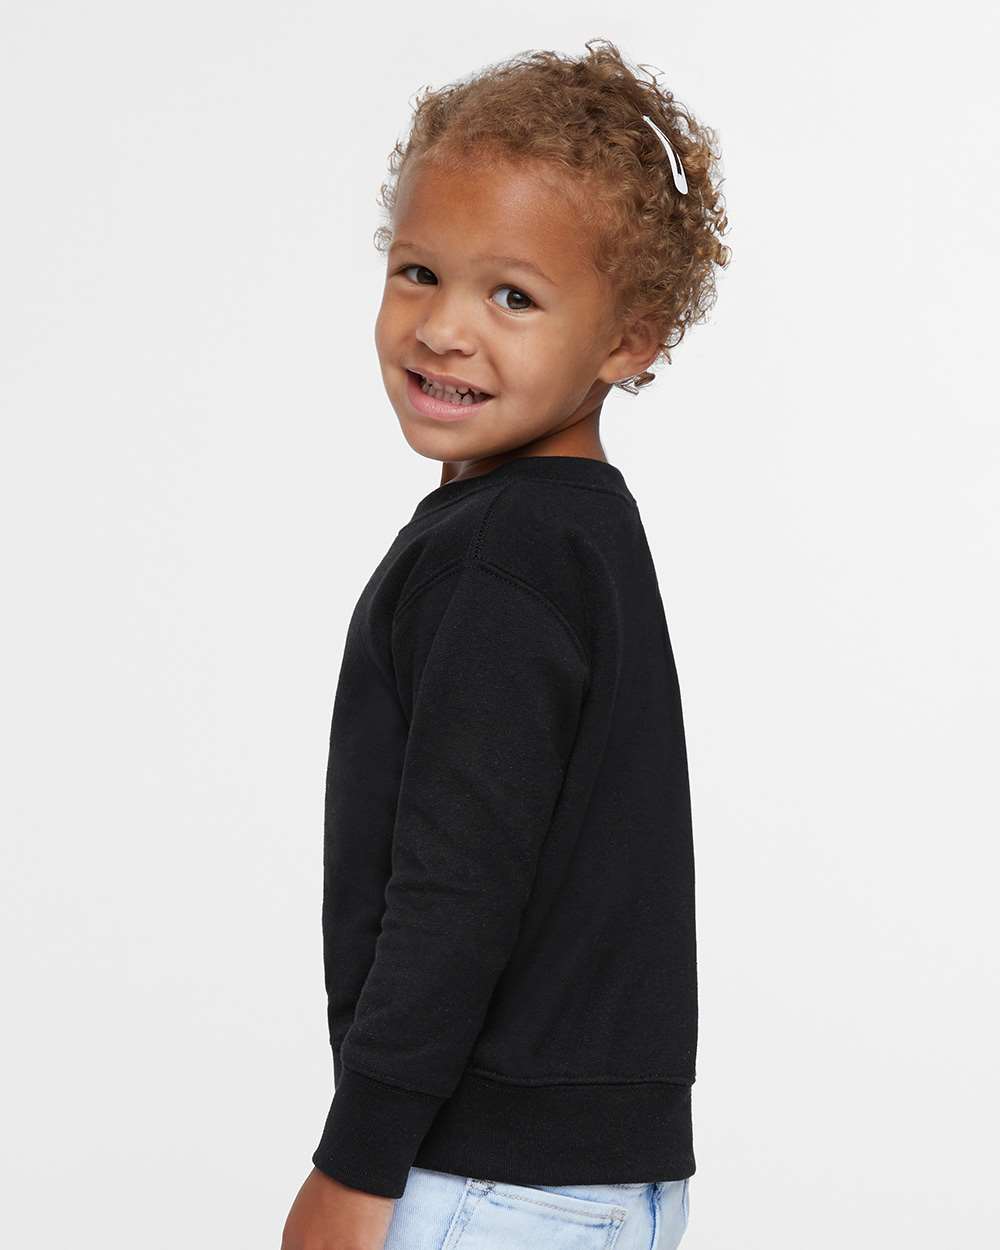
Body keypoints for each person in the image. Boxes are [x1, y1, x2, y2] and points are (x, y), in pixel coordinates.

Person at [282, 37, 731, 1250]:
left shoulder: (501, 555)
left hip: (484, 1179)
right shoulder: (577, 532)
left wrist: (356, 1158)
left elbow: (456, 887)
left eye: (513, 296)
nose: (443, 328)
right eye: (418, 271)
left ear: (629, 339)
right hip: (599, 1180)